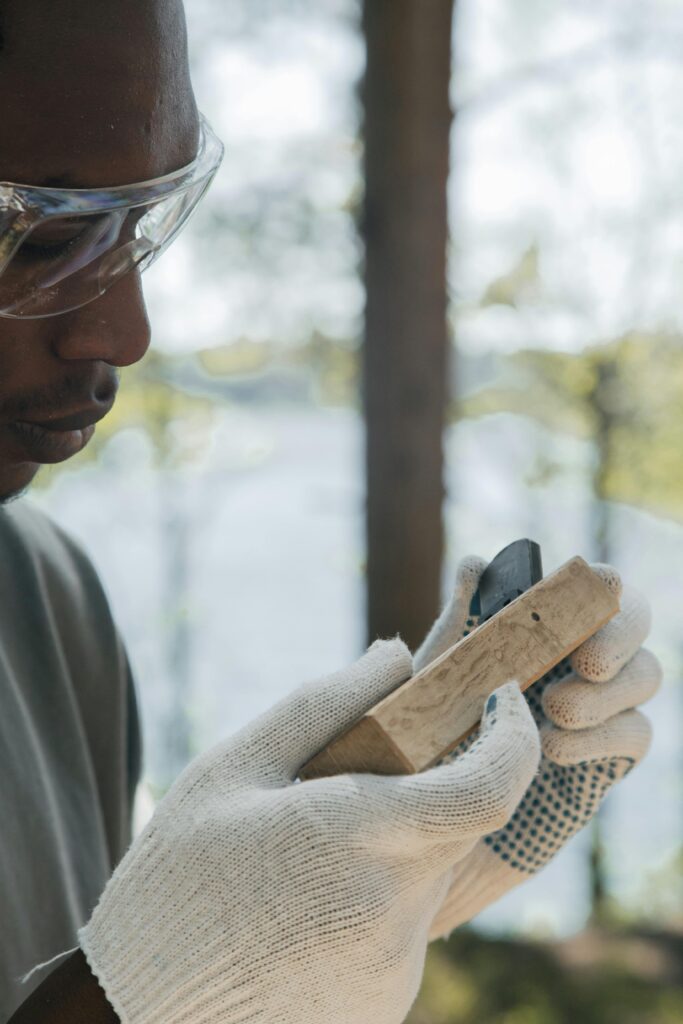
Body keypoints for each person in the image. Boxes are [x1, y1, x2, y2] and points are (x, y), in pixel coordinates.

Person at [0, 2, 661, 1022]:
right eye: (45, 238)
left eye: (136, 227)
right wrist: (159, 994)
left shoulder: (47, 605)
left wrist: (388, 899)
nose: (125, 330)